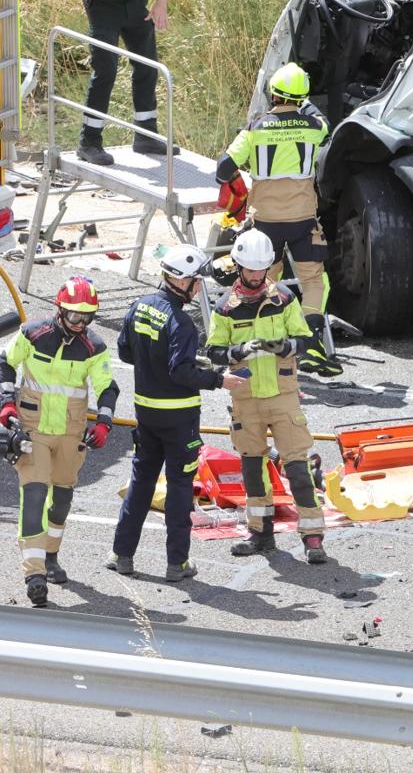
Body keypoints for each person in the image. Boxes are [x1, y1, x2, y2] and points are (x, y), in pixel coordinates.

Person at [109, 245, 247, 581]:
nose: (199, 287)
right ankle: (177, 564)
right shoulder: (182, 323)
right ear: (181, 281)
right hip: (178, 419)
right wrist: (219, 380)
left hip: (146, 413)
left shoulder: (138, 306)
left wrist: (154, 362)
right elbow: (180, 373)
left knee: (141, 483)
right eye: (196, 281)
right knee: (180, 488)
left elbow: (126, 352)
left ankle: (121, 555)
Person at [206, 229, 327, 563]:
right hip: (247, 401)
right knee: (253, 470)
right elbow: (213, 351)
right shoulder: (226, 309)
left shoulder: (284, 299)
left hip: (282, 397)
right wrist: (236, 351)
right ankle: (260, 534)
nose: (258, 276)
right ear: (240, 268)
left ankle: (313, 537)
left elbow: (305, 338)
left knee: (299, 469)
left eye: (262, 270)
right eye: (252, 270)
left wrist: (287, 346)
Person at [214, 63, 340, 377]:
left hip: (265, 222)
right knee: (315, 282)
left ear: (273, 94)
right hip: (302, 219)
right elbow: (325, 123)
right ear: (301, 97)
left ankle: (256, 344)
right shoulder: (314, 126)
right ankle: (310, 344)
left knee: (265, 281)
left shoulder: (256, 128)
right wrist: (305, 104)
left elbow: (223, 167)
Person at [0, 276, 119, 606]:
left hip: (71, 433)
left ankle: (51, 556)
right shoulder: (33, 334)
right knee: (35, 494)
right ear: (59, 309)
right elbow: (4, 363)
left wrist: (105, 422)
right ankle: (34, 573)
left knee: (62, 500)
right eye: (75, 316)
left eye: (88, 317)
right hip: (33, 429)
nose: (81, 324)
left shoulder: (94, 346)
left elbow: (108, 387)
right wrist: (6, 403)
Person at [78, 0, 173, 165]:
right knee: (105, 70)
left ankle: (146, 136)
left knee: (147, 66)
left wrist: (161, 3)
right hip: (103, 3)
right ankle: (89, 143)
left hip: (134, 1)